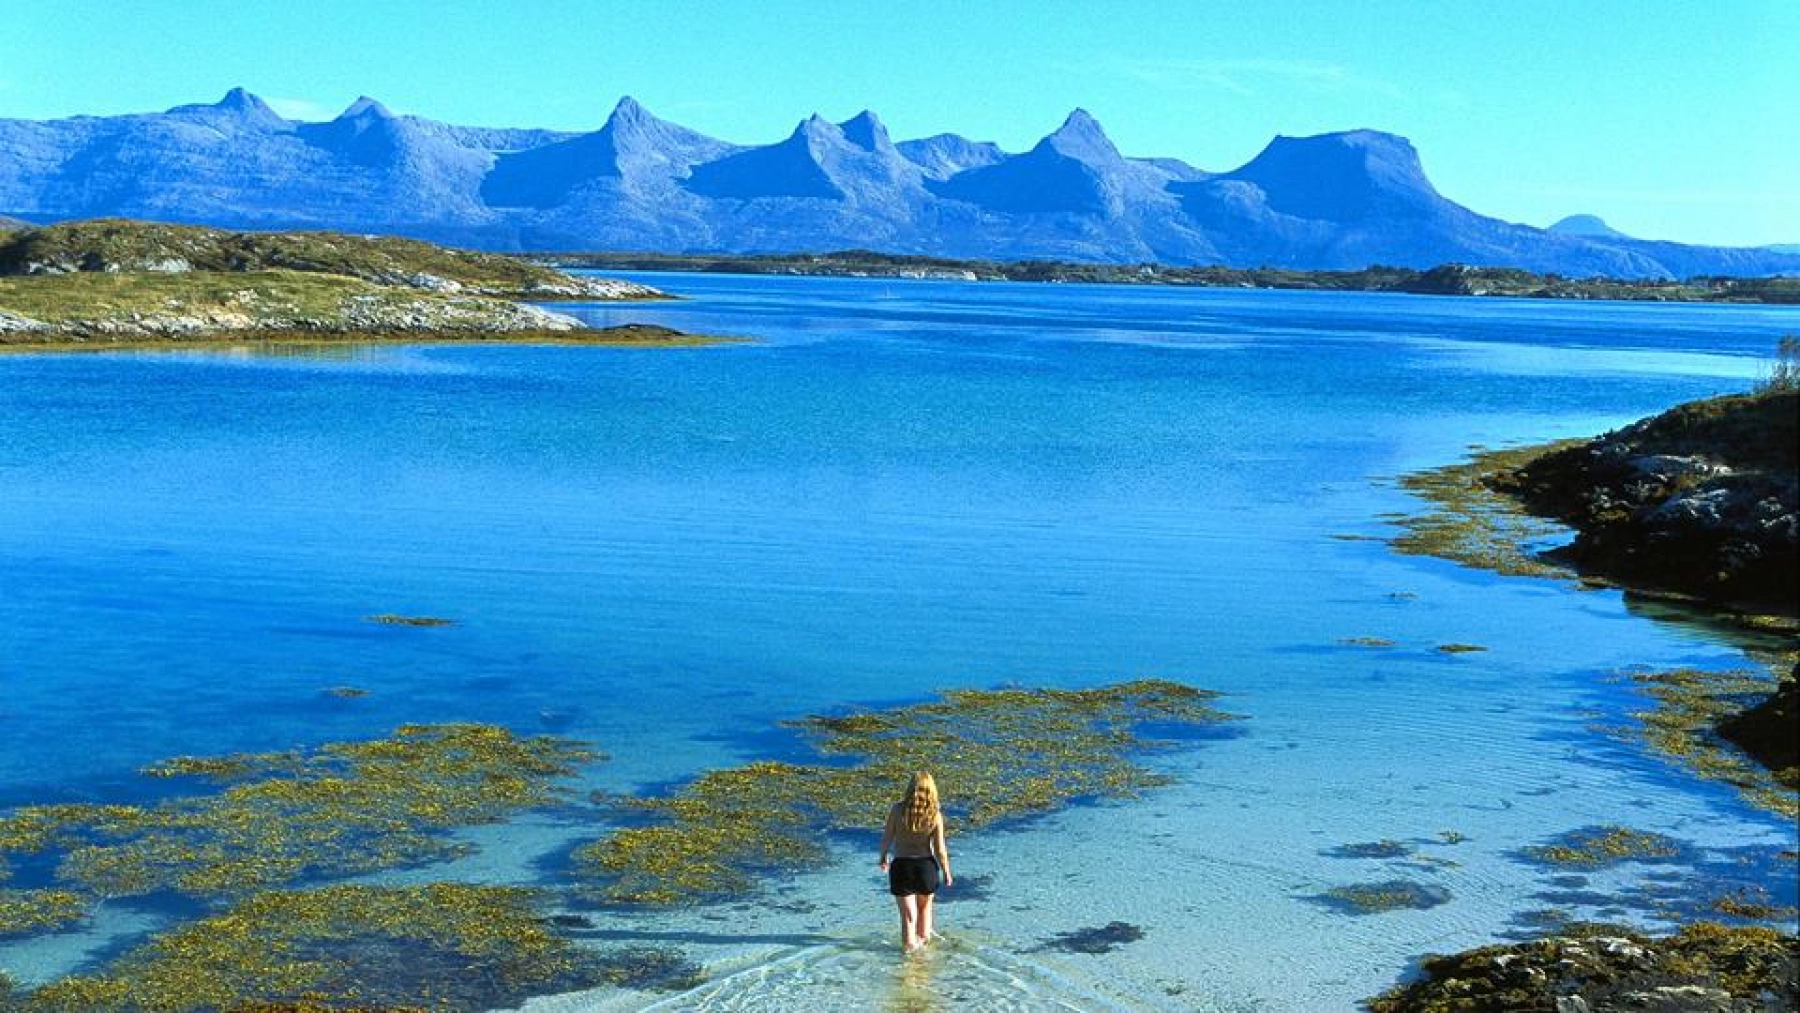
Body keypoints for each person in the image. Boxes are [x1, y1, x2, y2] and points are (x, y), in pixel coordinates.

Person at [877, 771, 953, 953]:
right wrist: (947, 872)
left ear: (910, 788)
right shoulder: (935, 815)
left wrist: (883, 857)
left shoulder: (897, 810)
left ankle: (909, 957)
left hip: (902, 867)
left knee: (908, 916)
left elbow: (887, 838)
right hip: (926, 867)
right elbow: (940, 849)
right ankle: (923, 962)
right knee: (924, 911)